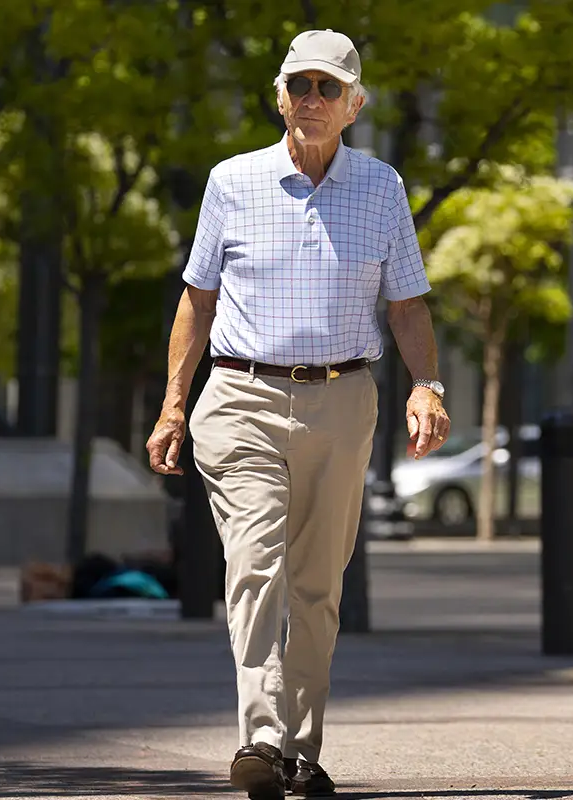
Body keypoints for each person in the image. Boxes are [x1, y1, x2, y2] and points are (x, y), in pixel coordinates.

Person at [145, 28, 451, 800]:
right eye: (299, 86)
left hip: (343, 401)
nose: (310, 100)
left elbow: (408, 304)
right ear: (279, 97)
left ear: (353, 105)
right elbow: (198, 299)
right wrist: (173, 406)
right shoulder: (232, 181)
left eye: (327, 88)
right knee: (255, 565)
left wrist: (429, 386)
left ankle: (301, 753)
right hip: (241, 396)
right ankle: (261, 736)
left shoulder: (382, 188)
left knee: (317, 586)